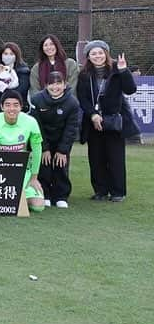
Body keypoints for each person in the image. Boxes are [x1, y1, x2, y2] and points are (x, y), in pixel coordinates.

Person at [76, 40, 138, 202]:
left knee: (116, 157)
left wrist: (124, 70)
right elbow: (82, 98)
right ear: (88, 56)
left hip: (114, 120)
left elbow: (130, 89)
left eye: (100, 52)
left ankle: (118, 192)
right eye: (93, 53)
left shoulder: (117, 70)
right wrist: (93, 114)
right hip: (93, 121)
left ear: (106, 53)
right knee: (96, 158)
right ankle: (100, 191)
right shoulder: (84, 75)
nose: (98, 56)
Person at [0, 90, 45, 213]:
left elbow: (37, 149)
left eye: (16, 105)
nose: (11, 109)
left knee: (38, 206)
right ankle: (12, 199)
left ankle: (17, 198)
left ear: (21, 107)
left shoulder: (30, 122)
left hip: (23, 171)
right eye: (7, 105)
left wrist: (34, 178)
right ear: (1, 106)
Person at [30, 72, 81, 208]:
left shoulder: (72, 102)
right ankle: (45, 194)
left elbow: (72, 128)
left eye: (59, 83)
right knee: (43, 165)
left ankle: (61, 196)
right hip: (42, 139)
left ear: (65, 85)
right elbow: (36, 126)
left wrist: (62, 150)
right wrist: (44, 148)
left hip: (61, 140)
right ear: (46, 85)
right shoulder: (36, 100)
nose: (55, 87)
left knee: (61, 165)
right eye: (51, 83)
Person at [0, 42, 30, 110]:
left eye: (11, 54)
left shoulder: (23, 72)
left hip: (18, 108)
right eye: (5, 54)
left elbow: (21, 90)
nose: (8, 56)